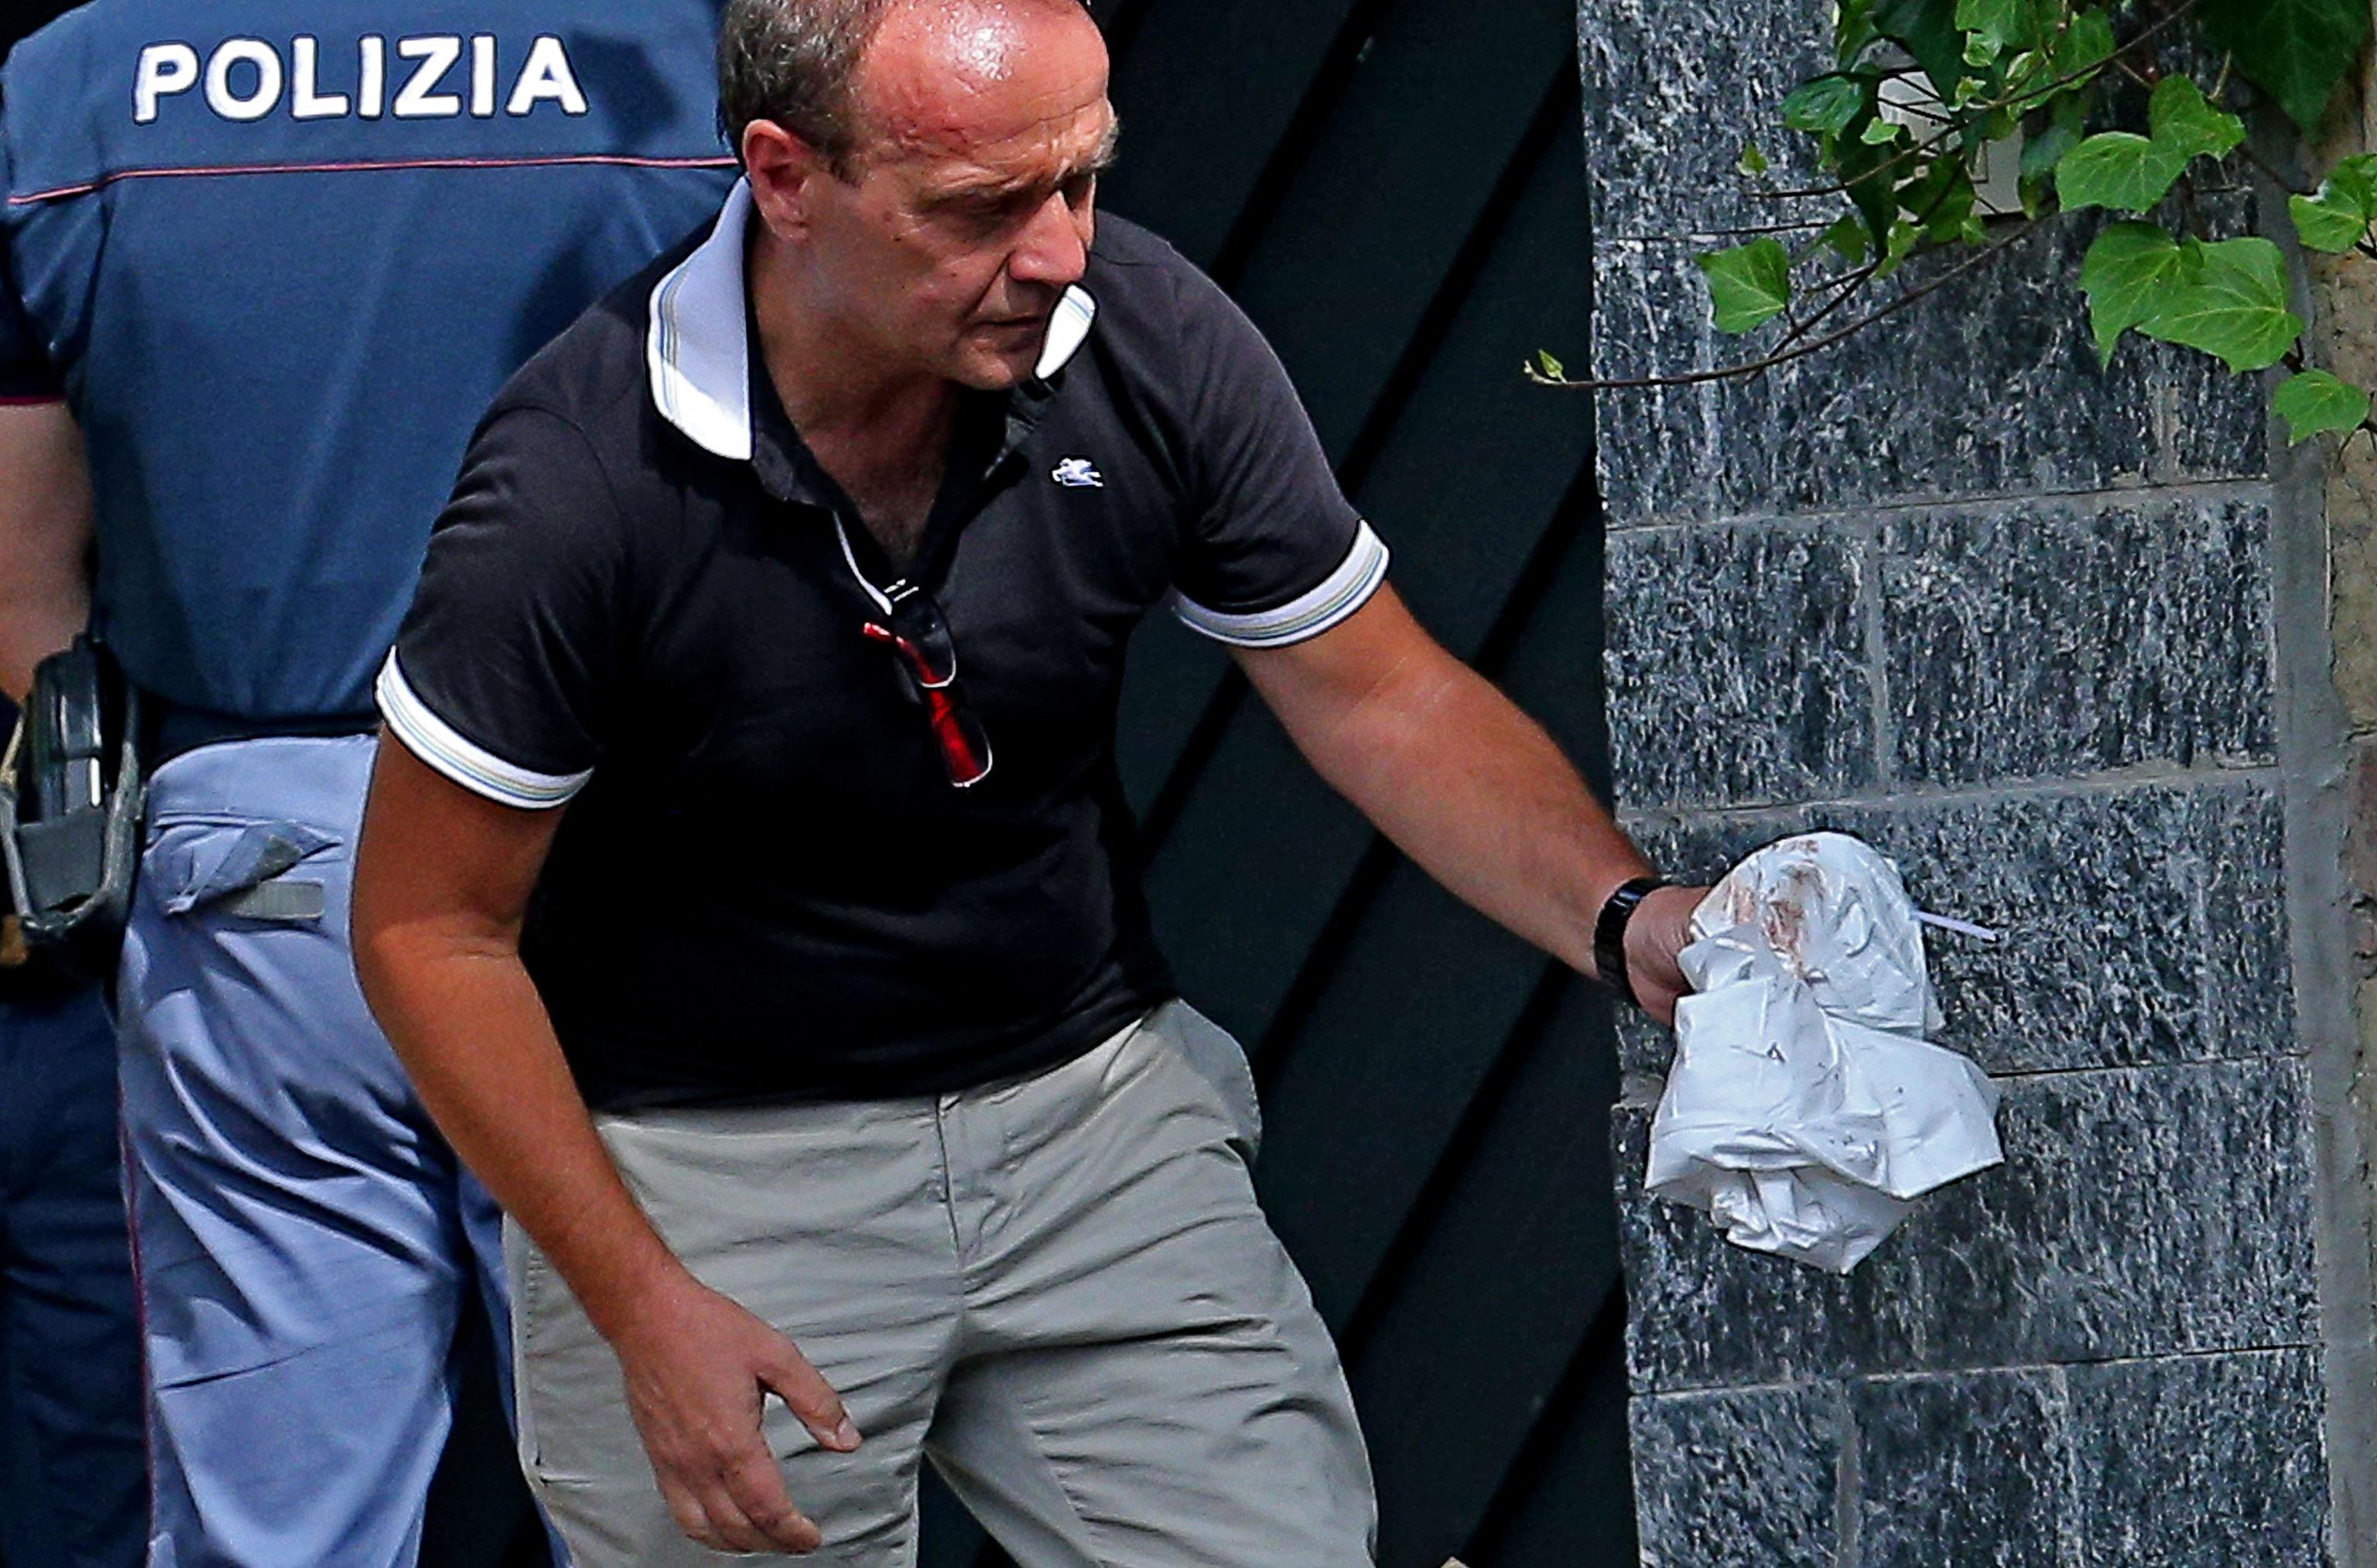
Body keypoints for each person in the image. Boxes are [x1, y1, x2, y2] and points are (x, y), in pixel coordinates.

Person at [351, 0, 1700, 1563]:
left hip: (1095, 1123)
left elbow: (1379, 695)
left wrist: (1627, 916)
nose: (1060, 252)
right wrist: (642, 1307)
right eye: (982, 207)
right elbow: (424, 932)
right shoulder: (579, 479)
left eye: (1081, 179)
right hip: (709, 1183)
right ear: (785, 178)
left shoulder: (1144, 332)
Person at [0, 5, 739, 1560]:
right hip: (606, 842)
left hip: (254, 854)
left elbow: (24, 588)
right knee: (694, 1492)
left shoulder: (76, 83)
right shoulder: (684, 57)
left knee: (280, 1529)